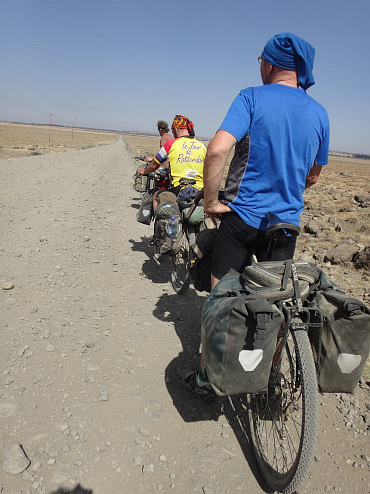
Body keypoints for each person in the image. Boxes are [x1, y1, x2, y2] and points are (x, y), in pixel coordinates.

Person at [183, 32, 330, 403]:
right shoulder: (320, 114)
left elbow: (216, 152)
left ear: (269, 63)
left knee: (221, 294)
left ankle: (206, 374)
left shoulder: (251, 97)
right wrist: (287, 195)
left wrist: (213, 201)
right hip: (287, 226)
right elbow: (312, 176)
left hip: (243, 220)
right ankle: (269, 379)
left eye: (260, 61)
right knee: (276, 300)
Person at [138, 115, 206, 208]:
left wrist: (145, 171)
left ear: (176, 129)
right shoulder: (202, 146)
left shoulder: (170, 144)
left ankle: (160, 221)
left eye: (173, 130)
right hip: (199, 191)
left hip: (178, 189)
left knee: (156, 196)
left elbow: (154, 165)